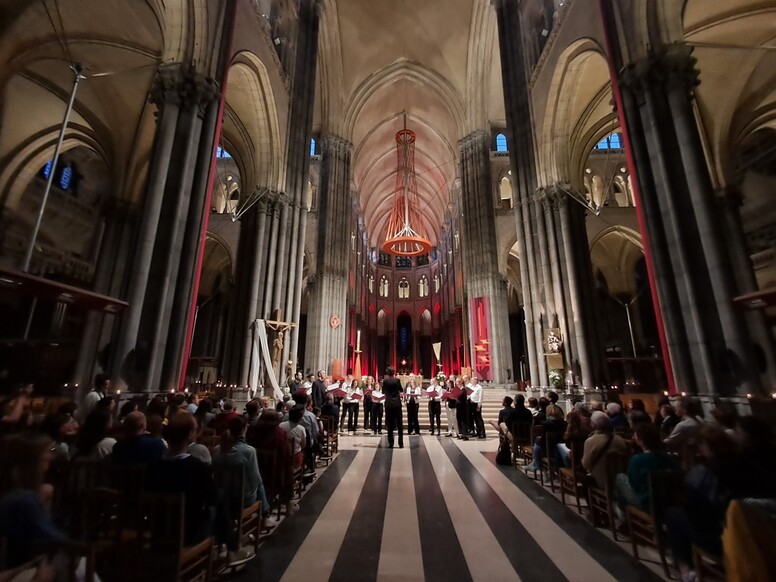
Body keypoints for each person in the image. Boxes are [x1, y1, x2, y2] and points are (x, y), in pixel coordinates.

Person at [213, 416, 277, 529]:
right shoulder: (249, 451)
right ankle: (266, 515)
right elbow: (256, 479)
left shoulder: (218, 449)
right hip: (242, 499)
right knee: (259, 482)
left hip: (222, 497)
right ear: (244, 429)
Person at [614, 423, 679, 517]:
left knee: (619, 477)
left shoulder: (637, 460)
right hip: (670, 500)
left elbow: (634, 485)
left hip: (646, 502)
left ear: (640, 441)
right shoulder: (671, 458)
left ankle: (623, 514)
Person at [581, 411, 629, 489]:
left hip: (602, 481)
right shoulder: (619, 439)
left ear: (593, 425)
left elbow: (586, 465)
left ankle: (593, 501)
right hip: (621, 480)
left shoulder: (591, 441)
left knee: (585, 480)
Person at [382, 366, 404, 448]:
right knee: (399, 423)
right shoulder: (397, 380)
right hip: (397, 404)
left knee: (390, 423)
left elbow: (383, 391)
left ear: (387, 373)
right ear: (394, 372)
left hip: (389, 404)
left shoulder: (385, 381)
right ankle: (400, 443)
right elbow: (401, 390)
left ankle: (391, 442)